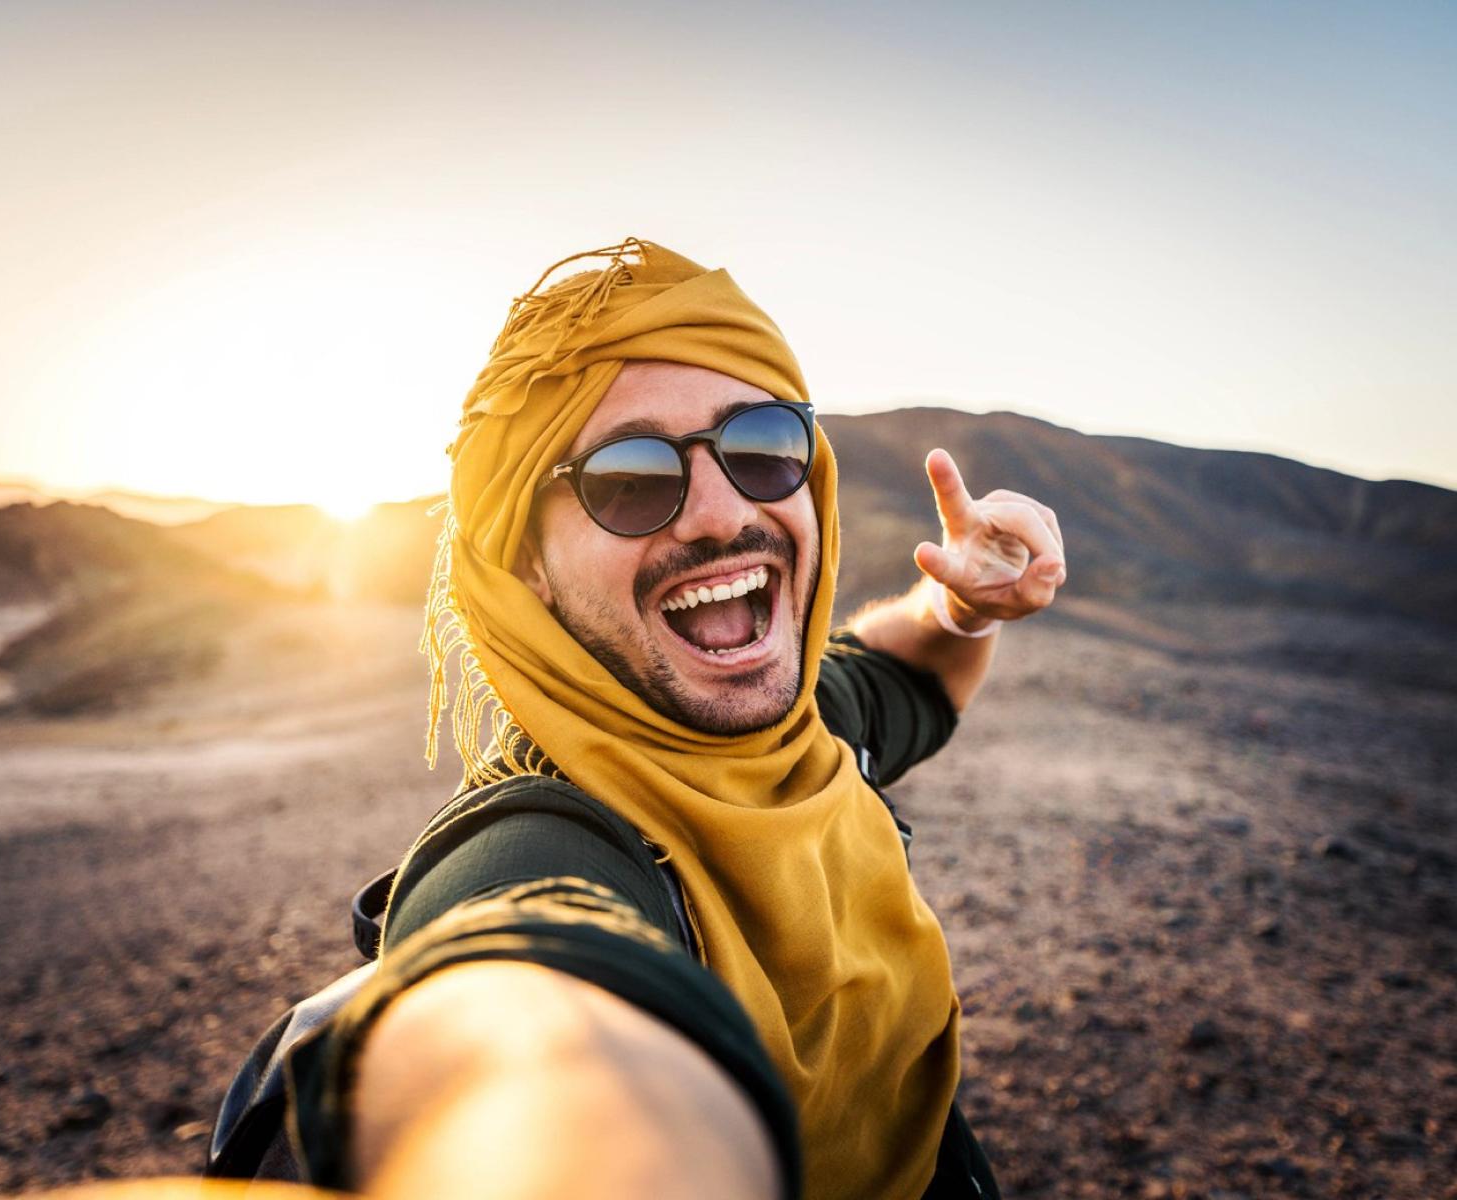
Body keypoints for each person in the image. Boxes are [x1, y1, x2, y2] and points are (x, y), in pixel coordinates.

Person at [279, 239, 1066, 1200]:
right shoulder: (537, 844)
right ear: (525, 562)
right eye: (629, 479)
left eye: (762, 448)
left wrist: (962, 607)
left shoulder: (803, 730)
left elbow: (908, 673)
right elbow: (516, 1021)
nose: (721, 513)